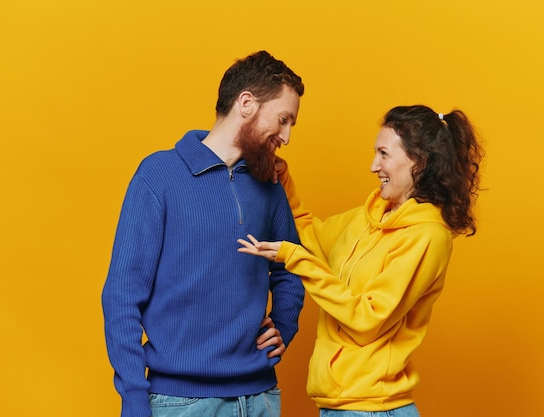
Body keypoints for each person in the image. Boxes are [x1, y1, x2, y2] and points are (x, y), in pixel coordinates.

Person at [238, 105, 484, 417]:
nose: (373, 166)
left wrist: (294, 258)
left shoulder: (428, 237)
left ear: (419, 162)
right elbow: (309, 235)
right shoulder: (367, 218)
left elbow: (367, 320)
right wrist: (283, 180)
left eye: (383, 154)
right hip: (342, 406)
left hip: (374, 409)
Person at [102, 50, 306, 417]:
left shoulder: (268, 183)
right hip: (181, 403)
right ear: (247, 103)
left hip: (260, 398)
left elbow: (292, 264)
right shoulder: (158, 175)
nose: (287, 136)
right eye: (283, 119)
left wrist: (284, 326)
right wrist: (133, 399)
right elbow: (121, 295)